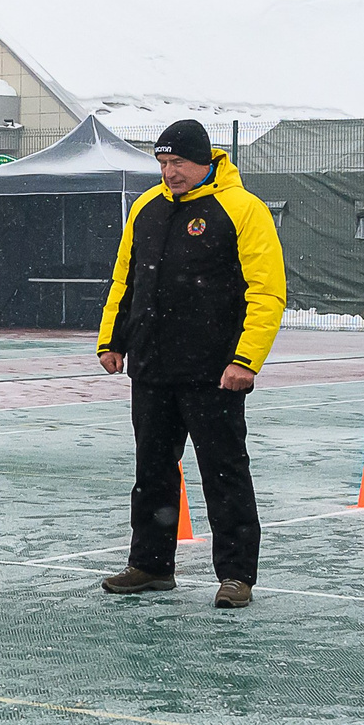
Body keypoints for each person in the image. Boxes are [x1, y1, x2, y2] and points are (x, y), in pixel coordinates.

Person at [95, 119, 285, 609]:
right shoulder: (146, 207)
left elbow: (267, 292)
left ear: (205, 160)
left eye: (178, 162)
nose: (169, 172)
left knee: (224, 473)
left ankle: (237, 575)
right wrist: (112, 340)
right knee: (152, 471)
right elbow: (126, 280)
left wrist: (246, 360)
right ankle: (151, 565)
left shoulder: (243, 208)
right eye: (162, 163)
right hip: (152, 367)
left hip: (214, 371)